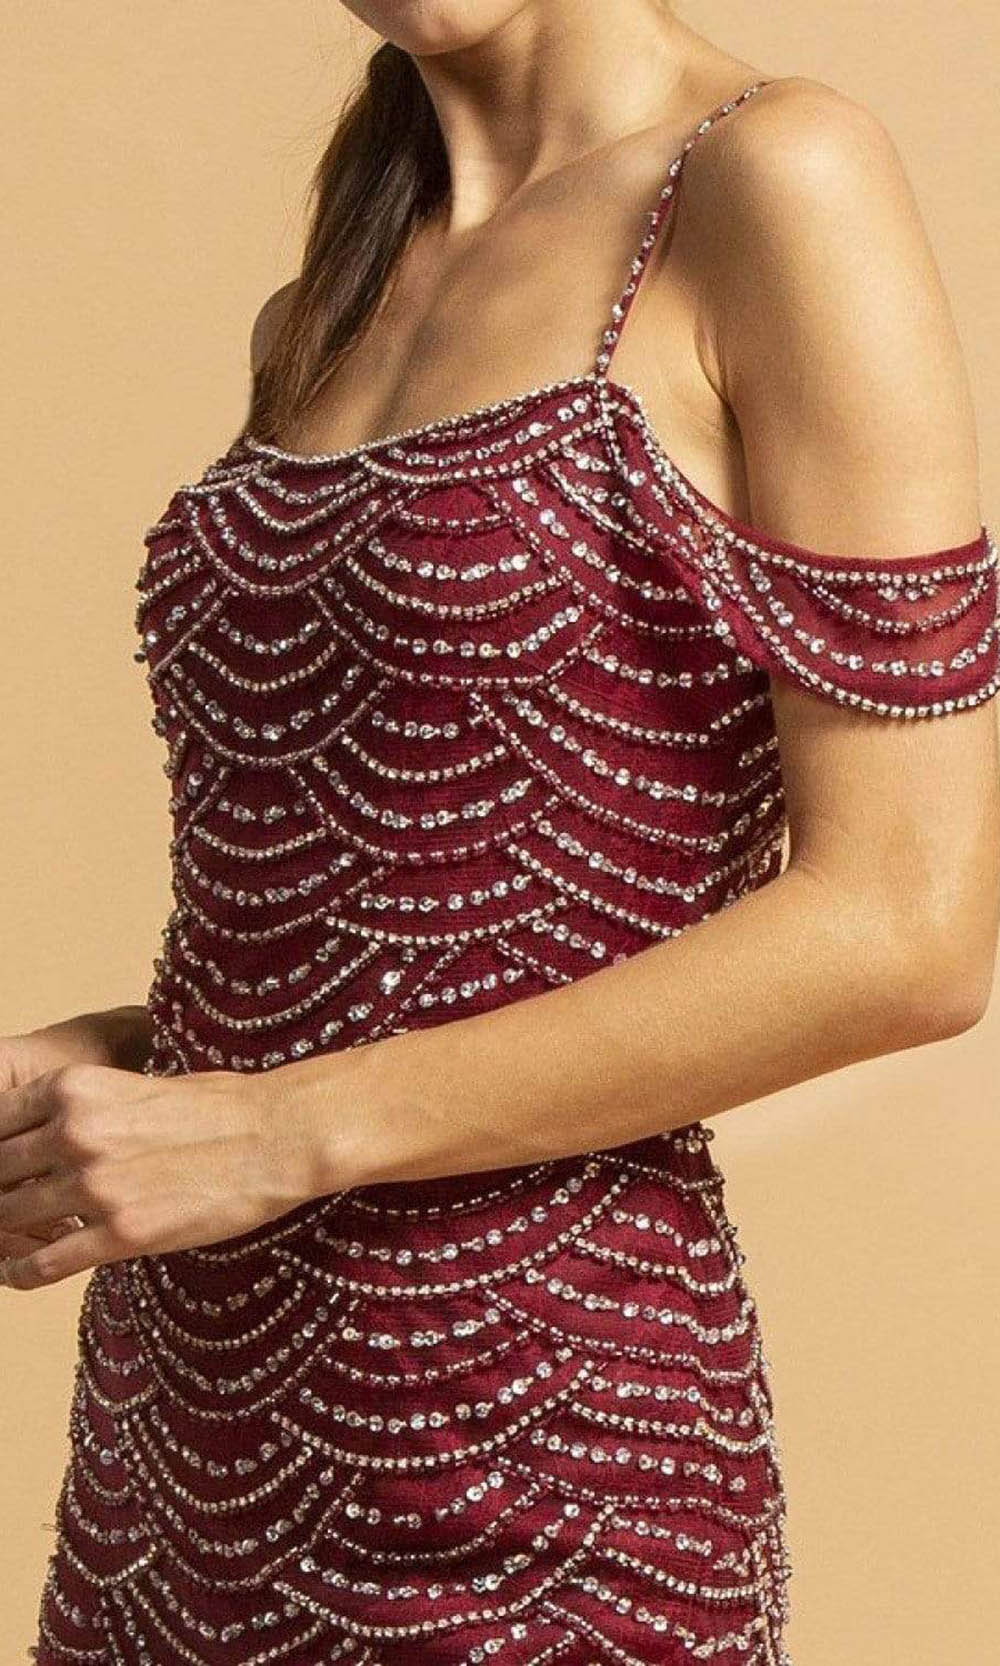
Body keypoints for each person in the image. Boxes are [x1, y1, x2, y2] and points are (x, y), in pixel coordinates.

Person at [7, 2, 999, 1662]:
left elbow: (910, 925)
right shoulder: (322, 306)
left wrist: (273, 1129)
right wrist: (129, 1070)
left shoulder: (772, 180)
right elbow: (406, 914)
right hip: (182, 1439)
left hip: (537, 1429)